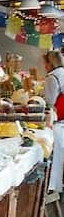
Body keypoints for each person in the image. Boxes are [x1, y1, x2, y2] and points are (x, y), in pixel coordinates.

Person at [42, 51, 64, 193]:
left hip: (58, 121)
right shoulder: (62, 72)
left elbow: (49, 102)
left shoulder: (52, 77)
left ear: (50, 64)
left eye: (45, 63)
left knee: (56, 156)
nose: (44, 66)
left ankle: (52, 187)